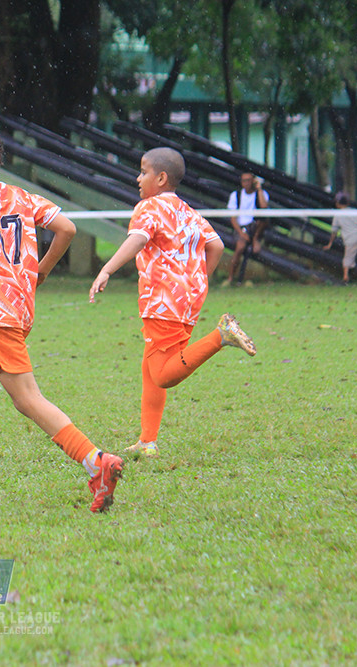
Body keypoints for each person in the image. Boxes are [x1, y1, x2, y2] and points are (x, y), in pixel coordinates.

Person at [0, 116, 123, 513]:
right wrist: (43, 270)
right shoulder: (19, 195)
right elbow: (67, 228)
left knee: (29, 400)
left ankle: (98, 462)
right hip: (11, 312)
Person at [89, 147, 256, 458]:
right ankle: (148, 441)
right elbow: (216, 246)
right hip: (189, 300)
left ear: (161, 178)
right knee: (150, 367)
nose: (138, 178)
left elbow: (137, 239)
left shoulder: (148, 207)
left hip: (162, 301)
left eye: (143, 172)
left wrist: (106, 269)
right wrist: (196, 281)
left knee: (163, 374)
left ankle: (220, 336)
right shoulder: (190, 212)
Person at [224, 172, 269, 286]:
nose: (247, 183)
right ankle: (230, 278)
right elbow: (233, 218)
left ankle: (255, 240)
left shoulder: (262, 194)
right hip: (242, 228)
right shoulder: (236, 195)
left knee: (262, 220)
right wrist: (240, 232)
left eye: (249, 180)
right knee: (240, 247)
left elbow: (263, 207)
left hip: (256, 227)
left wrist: (259, 190)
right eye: (244, 180)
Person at [323, 192, 357, 285]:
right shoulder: (354, 211)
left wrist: (330, 244)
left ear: (338, 203)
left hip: (350, 239)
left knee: (348, 258)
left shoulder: (338, 215)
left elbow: (334, 231)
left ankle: (345, 276)